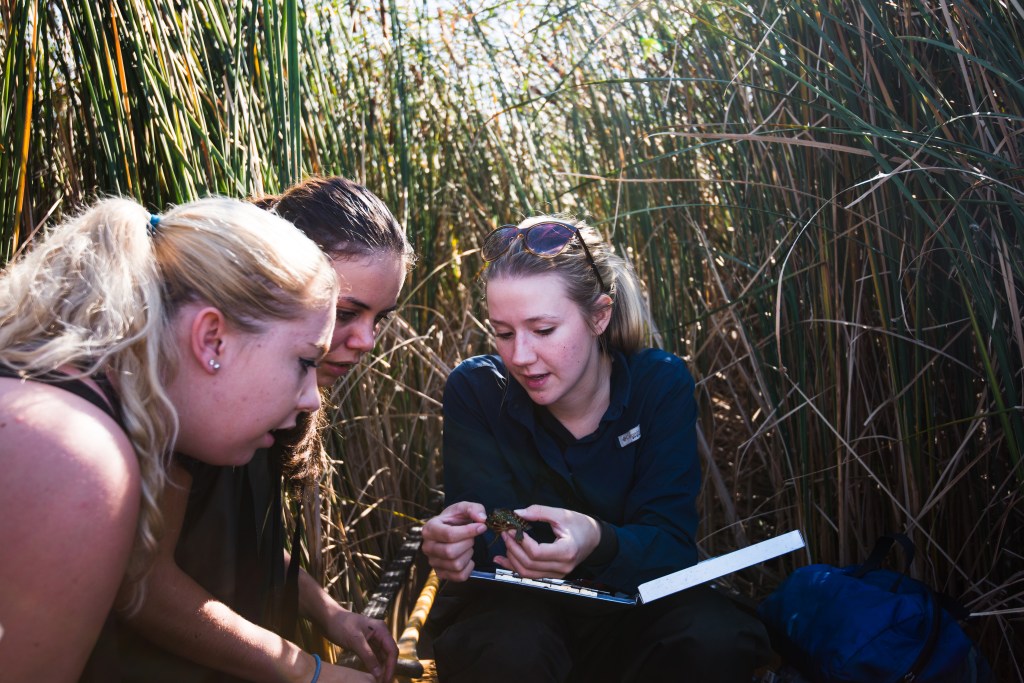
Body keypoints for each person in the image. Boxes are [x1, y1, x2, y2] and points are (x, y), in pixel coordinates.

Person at [0, 196, 339, 683]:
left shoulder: (75, 406)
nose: (312, 398)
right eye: (305, 361)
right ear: (212, 339)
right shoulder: (76, 453)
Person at [421, 216, 773, 682]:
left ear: (599, 316)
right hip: (518, 616)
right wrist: (457, 544)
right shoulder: (476, 390)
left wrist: (597, 540)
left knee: (714, 637)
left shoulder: (659, 384)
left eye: (543, 330)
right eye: (503, 333)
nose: (520, 356)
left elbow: (670, 544)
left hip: (634, 616)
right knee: (509, 646)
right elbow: (489, 520)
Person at [116, 177, 415, 683]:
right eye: (347, 312)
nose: (367, 340)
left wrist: (329, 613)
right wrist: (309, 671)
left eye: (380, 318)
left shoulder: (266, 402)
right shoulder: (196, 408)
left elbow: (242, 535)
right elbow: (144, 583)